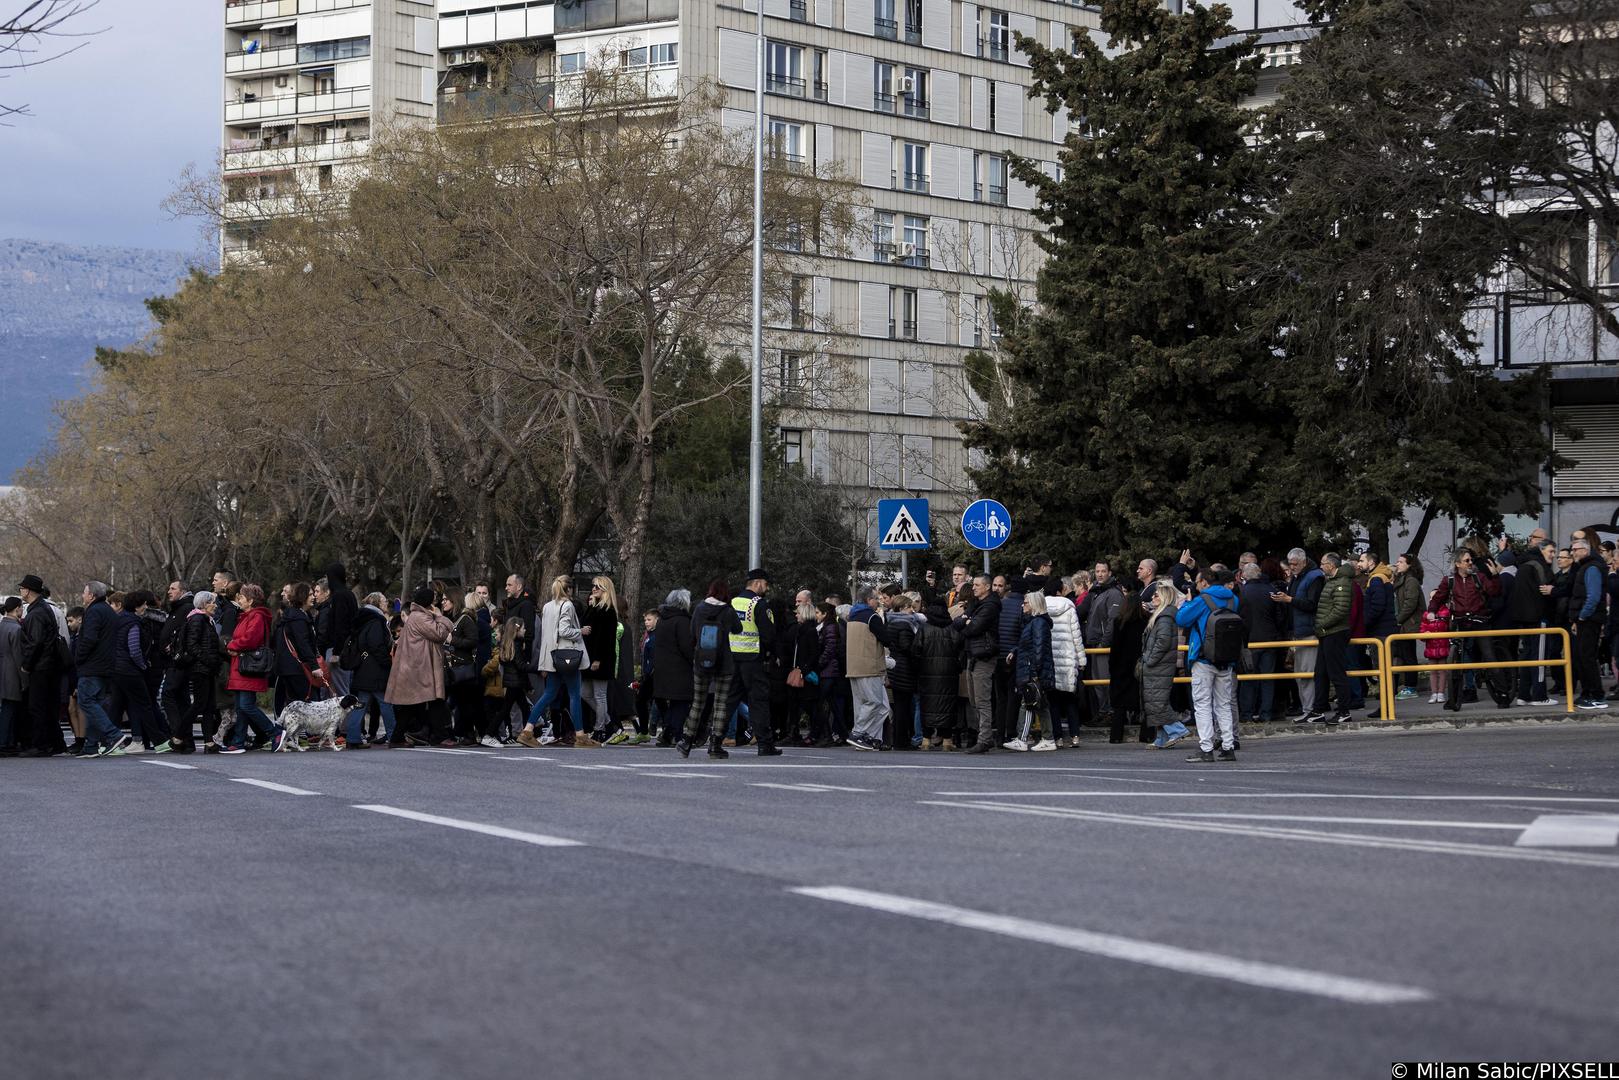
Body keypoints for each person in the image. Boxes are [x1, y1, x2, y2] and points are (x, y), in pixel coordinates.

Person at [1426, 548, 1505, 713]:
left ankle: (1503, 693)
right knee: (1457, 662)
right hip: (1461, 623)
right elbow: (1438, 598)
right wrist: (1432, 612)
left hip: (1480, 621)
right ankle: (1454, 697)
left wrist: (1495, 575)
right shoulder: (1449, 581)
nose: (1470, 563)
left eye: (1470, 560)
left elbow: (1494, 592)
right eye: (1467, 560)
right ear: (1457, 564)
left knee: (1490, 656)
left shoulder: (1478, 577)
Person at [1176, 568, 1240, 763]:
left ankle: (1206, 748)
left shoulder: (1202, 600)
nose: (1196, 585)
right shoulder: (1233, 600)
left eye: (1197, 581)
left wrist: (1188, 602)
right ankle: (1228, 746)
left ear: (1204, 582)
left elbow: (1181, 619)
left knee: (1202, 704)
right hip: (1227, 659)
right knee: (1224, 703)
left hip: (1203, 658)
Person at [219, 584, 288, 754]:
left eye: (242, 597)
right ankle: (239, 741)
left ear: (250, 600)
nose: (239, 600)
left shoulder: (256, 617)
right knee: (241, 706)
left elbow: (250, 639)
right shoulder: (248, 616)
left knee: (247, 705)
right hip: (241, 667)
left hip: (248, 667)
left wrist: (232, 644)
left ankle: (275, 732)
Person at [519, 576, 587, 747]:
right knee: (574, 694)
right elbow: (564, 630)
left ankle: (527, 730)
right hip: (567, 656)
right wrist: (581, 631)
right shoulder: (568, 605)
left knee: (548, 694)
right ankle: (580, 736)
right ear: (570, 589)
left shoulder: (547, 606)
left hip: (551, 657)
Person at [385, 586, 456, 747]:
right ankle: (437, 736)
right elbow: (440, 634)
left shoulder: (417, 616)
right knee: (425, 702)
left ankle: (407, 737)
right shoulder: (420, 617)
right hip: (419, 668)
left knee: (418, 704)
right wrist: (440, 616)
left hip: (416, 667)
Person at [679, 578, 742, 758]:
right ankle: (715, 745)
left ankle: (687, 741)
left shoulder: (699, 608)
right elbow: (737, 629)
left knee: (698, 702)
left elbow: (692, 633)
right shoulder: (728, 611)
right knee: (720, 703)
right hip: (724, 663)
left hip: (701, 661)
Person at [72, 581, 131, 757]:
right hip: (106, 666)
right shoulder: (108, 611)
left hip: (92, 666)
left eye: (84, 592)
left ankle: (114, 735)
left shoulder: (94, 612)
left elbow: (89, 639)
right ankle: (91, 746)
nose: (82, 596)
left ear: (91, 595)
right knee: (94, 704)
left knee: (86, 702)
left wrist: (79, 658)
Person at [726, 569, 781, 756]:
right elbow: (769, 634)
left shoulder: (732, 603)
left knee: (729, 702)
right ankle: (765, 744)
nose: (766, 588)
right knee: (758, 703)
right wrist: (771, 655)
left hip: (733, 660)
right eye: (765, 584)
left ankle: (716, 740)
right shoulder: (759, 604)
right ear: (757, 583)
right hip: (754, 660)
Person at [109, 590, 169, 753]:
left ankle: (107, 741)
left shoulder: (118, 620)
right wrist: (143, 665)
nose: (145, 607)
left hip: (116, 669)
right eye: (143, 605)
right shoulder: (134, 623)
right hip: (130, 670)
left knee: (116, 706)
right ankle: (160, 741)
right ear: (137, 606)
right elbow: (134, 649)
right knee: (144, 705)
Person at [952, 574, 1000, 754]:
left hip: (984, 655)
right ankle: (984, 736)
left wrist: (966, 621)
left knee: (982, 699)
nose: (973, 588)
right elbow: (957, 623)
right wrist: (966, 620)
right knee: (974, 699)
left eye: (977, 585)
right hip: (972, 653)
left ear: (987, 587)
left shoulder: (990, 606)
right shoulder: (976, 604)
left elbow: (973, 627)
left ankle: (985, 738)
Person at [1274, 549, 1324, 719]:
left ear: (1303, 562)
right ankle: (1307, 709)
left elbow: (1312, 604)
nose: (1292, 567)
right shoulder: (1299, 577)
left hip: (1308, 631)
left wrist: (1289, 600)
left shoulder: (1314, 577)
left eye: (1295, 564)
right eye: (1290, 564)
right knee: (1300, 673)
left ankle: (1311, 710)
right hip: (1298, 631)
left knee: (1306, 673)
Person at [1506, 538, 1556, 707]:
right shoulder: (1539, 566)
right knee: (1539, 658)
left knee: (1527, 656)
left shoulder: (1524, 564)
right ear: (1541, 550)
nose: (1553, 555)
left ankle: (1524, 695)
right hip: (1538, 617)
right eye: (1551, 551)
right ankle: (1540, 696)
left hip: (1524, 619)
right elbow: (1547, 588)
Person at [1141, 582, 1190, 749]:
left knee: (1157, 702)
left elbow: (1162, 642)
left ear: (1164, 598)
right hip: (1160, 666)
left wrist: (1149, 659)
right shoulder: (1164, 616)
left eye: (1156, 595)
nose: (1152, 598)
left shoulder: (1164, 617)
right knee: (1157, 701)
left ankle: (1177, 729)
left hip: (1158, 666)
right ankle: (1161, 738)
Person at [1309, 553, 1357, 724]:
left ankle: (1344, 711)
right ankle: (1318, 710)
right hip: (1326, 632)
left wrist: (1322, 625)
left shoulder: (1342, 582)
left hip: (1335, 632)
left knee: (1336, 673)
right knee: (1320, 672)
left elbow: (1340, 609)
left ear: (1330, 565)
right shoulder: (1333, 581)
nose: (1321, 567)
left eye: (1323, 564)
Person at [843, 584, 891, 751]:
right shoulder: (872, 617)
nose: (878, 602)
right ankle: (858, 733)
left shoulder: (852, 616)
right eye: (876, 599)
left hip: (853, 666)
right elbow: (886, 638)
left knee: (872, 705)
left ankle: (867, 737)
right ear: (869, 600)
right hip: (869, 665)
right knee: (873, 702)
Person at [1008, 589, 1056, 752]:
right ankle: (1048, 738)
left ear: (1034, 604)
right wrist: (1015, 651)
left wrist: (1034, 673)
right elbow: (1031, 646)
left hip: (1033, 670)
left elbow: (1038, 649)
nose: (1023, 605)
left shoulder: (1037, 623)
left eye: (1026, 602)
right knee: (1039, 704)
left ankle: (1023, 739)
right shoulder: (1035, 623)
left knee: (1028, 703)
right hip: (1034, 669)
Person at [1237, 562, 1283, 724]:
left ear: (1244, 575)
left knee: (1249, 679)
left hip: (1250, 642)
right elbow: (1280, 617)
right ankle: (1266, 714)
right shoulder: (1271, 590)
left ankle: (1247, 714)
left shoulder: (1243, 592)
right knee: (1267, 679)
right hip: (1270, 640)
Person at [178, 591, 224, 752]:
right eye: (213, 602)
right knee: (199, 705)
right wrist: (209, 660)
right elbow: (192, 645)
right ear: (204, 604)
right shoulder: (197, 619)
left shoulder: (206, 620)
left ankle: (208, 742)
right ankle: (177, 737)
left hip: (207, 669)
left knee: (209, 707)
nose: (216, 605)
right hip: (200, 669)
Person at [579, 576, 621, 744]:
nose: (594, 588)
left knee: (599, 695)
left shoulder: (608, 610)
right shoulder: (593, 608)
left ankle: (600, 729)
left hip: (600, 659)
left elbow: (606, 639)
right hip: (589, 657)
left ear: (605, 589)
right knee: (585, 693)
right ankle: (609, 722)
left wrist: (598, 659)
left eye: (598, 586)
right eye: (593, 586)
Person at [1045, 578, 1087, 747]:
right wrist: (1082, 660)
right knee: (1070, 700)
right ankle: (1075, 736)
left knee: (1053, 702)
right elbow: (1076, 636)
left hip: (1050, 660)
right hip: (1068, 659)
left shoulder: (1041, 607)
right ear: (1060, 590)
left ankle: (1058, 738)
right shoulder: (1070, 607)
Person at [1079, 560, 1122, 725]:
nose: (1100, 574)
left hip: (1103, 646)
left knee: (1103, 680)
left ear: (1110, 573)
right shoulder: (1096, 592)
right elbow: (1081, 612)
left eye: (1103, 571)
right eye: (1097, 571)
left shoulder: (1113, 593)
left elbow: (1113, 621)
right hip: (1095, 644)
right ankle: (1103, 711)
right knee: (1097, 681)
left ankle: (1108, 713)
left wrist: (1104, 643)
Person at [1569, 537, 1610, 709]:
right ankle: (1588, 693)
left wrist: (1582, 616)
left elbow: (1593, 597)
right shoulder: (1587, 566)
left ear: (1585, 550)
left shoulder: (1592, 568)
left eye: (1575, 549)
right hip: (1586, 619)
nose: (1573, 552)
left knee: (1587, 657)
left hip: (1589, 619)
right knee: (1582, 657)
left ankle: (1596, 695)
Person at [274, 582, 325, 713]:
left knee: (294, 704)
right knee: (309, 702)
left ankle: (293, 732)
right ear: (302, 597)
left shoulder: (293, 615)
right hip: (297, 668)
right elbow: (303, 644)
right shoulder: (298, 618)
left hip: (288, 667)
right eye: (310, 594)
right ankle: (310, 732)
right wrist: (314, 666)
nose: (313, 597)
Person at [652, 590, 694, 747]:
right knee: (682, 702)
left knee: (674, 702)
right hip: (680, 669)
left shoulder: (663, 620)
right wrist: (694, 660)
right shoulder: (682, 621)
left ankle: (668, 732)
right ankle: (674, 733)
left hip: (663, 667)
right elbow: (686, 647)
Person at [448, 590, 488, 745]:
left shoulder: (470, 621)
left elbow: (472, 642)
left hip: (471, 668)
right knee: (469, 703)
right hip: (471, 667)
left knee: (469, 704)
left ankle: (475, 733)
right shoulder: (472, 620)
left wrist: (453, 641)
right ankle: (475, 733)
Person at [1108, 579, 1146, 743]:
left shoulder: (1119, 622)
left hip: (1121, 666)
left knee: (1119, 705)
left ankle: (1116, 736)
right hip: (1140, 664)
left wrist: (1112, 666)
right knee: (1143, 702)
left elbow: (1115, 647)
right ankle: (1146, 735)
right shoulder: (1146, 621)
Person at [885, 593, 923, 751]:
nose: (912, 611)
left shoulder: (891, 622)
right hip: (904, 669)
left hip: (895, 668)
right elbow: (907, 647)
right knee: (904, 707)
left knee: (900, 705)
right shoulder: (905, 625)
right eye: (909, 608)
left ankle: (898, 739)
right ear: (901, 608)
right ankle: (902, 741)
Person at [781, 600, 820, 747]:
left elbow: (813, 653)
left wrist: (804, 669)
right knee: (796, 704)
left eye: (798, 613)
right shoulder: (801, 630)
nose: (796, 615)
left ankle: (813, 733)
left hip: (804, 672)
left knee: (809, 705)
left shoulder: (809, 631)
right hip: (799, 670)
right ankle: (794, 732)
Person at [320, 563, 358, 698]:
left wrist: (336, 652)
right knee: (333, 691)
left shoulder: (339, 596)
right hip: (346, 649)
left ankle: (351, 720)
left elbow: (341, 625)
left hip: (338, 651)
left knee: (341, 694)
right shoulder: (349, 595)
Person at [1391, 554, 1425, 700]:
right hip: (1404, 623)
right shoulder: (1402, 580)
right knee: (1403, 654)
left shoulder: (1410, 581)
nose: (1397, 564)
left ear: (1409, 564)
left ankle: (1411, 687)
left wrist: (1398, 620)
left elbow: (1410, 603)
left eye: (1400, 562)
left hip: (1408, 623)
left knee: (1408, 654)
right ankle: (1405, 686)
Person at [0, 598, 25, 756]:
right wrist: (25, 679)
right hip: (12, 673)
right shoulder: (16, 629)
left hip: (2, 670)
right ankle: (5, 742)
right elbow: (19, 657)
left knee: (5, 708)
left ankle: (6, 741)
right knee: (10, 709)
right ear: (17, 609)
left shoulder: (2, 626)